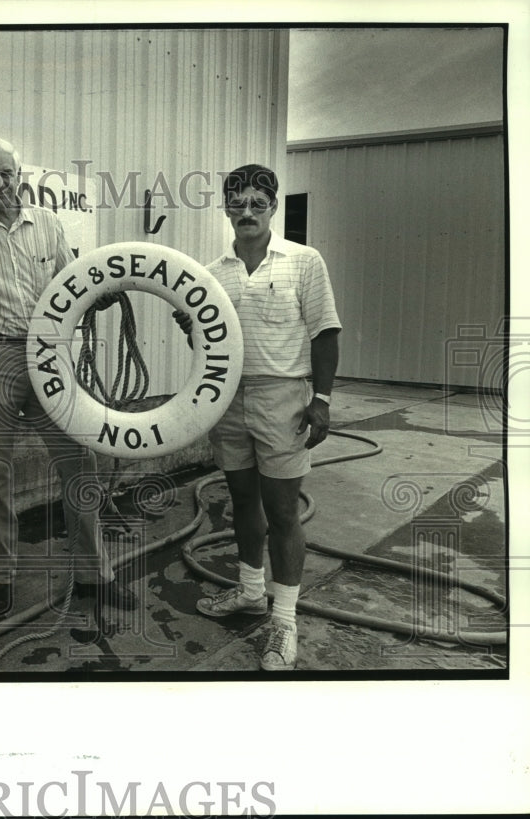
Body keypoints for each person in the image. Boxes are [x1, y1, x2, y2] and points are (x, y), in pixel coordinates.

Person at [0, 137, 137, 619]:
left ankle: (94, 576)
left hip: (48, 356)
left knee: (79, 460)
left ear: (20, 177)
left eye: (4, 174)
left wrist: (103, 294)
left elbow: (72, 285)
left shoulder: (49, 226)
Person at [175, 163, 341, 670]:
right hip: (228, 397)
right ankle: (249, 592)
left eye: (258, 203)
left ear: (273, 207)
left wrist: (323, 401)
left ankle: (283, 621)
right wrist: (190, 324)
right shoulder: (211, 272)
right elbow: (207, 340)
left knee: (284, 512)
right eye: (238, 203)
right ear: (226, 208)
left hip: (283, 398)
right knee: (242, 502)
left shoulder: (303, 261)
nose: (247, 212)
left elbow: (325, 333)